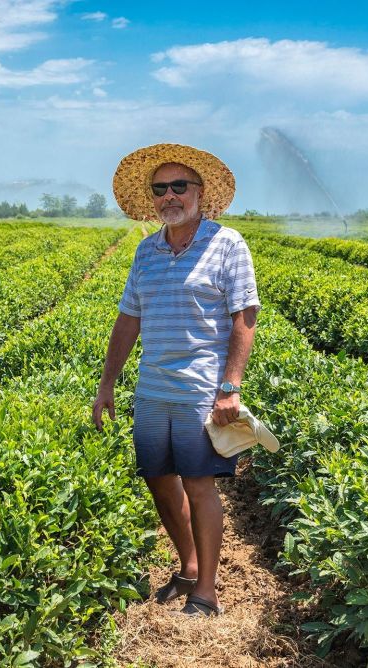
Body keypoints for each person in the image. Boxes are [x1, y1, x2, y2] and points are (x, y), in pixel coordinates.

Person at [93, 144, 260, 616]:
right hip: (152, 389)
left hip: (201, 390)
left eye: (178, 186)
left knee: (198, 483)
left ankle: (206, 591)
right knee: (159, 481)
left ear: (200, 193)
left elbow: (244, 316)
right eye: (160, 188)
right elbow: (129, 320)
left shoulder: (228, 243)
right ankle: (187, 566)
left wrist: (230, 387)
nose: (169, 196)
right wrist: (107, 384)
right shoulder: (146, 251)